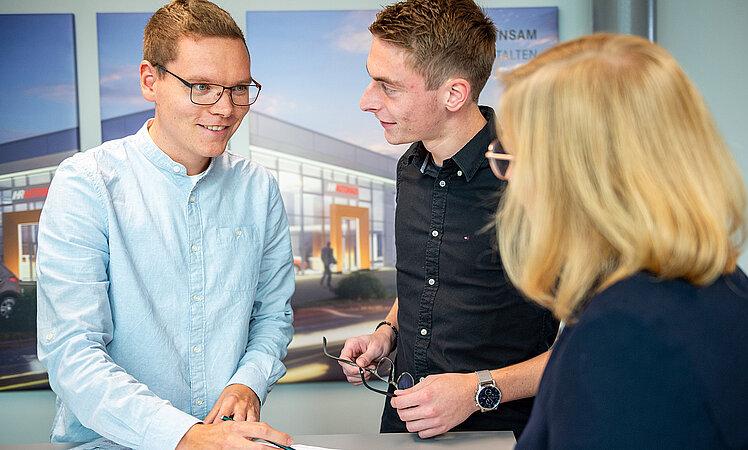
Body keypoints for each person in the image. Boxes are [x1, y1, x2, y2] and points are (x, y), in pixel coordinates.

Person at [486, 33, 748, 448]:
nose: (512, 181)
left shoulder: (624, 338)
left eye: (513, 157)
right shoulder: (727, 286)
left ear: (576, 178)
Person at [36, 1, 295, 448]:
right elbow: (72, 354)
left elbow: (271, 317)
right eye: (201, 86)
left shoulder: (259, 189)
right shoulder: (86, 184)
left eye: (238, 89)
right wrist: (184, 437)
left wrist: (247, 383)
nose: (225, 108)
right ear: (149, 81)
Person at [337, 0, 558, 439]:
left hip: (506, 432)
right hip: (404, 423)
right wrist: (388, 332)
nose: (366, 101)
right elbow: (430, 278)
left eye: (388, 86)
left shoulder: (536, 178)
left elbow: (588, 342)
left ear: (454, 94)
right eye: (370, 80)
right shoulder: (410, 166)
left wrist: (476, 390)